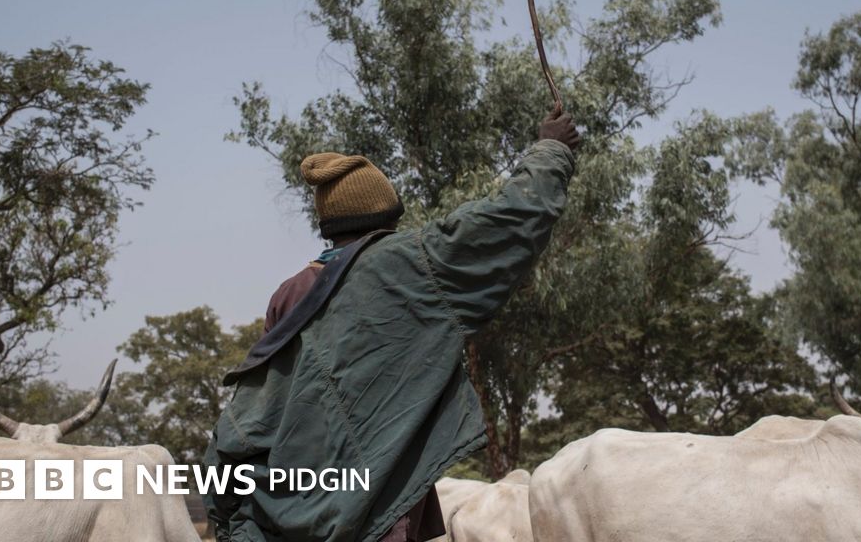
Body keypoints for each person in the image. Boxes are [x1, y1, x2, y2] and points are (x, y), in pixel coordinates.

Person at [203, 108, 581, 542]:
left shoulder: (288, 293)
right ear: (388, 218)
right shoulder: (408, 266)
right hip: (379, 513)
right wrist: (551, 148)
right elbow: (512, 216)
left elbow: (261, 411)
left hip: (289, 512)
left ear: (329, 228)